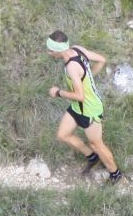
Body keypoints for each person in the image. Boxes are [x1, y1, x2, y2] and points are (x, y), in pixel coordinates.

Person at [46, 30, 122, 184]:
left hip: (89, 109)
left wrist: (58, 92)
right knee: (63, 135)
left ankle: (116, 174)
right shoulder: (77, 49)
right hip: (77, 107)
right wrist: (87, 78)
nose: (48, 52)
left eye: (50, 50)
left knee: (97, 144)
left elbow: (80, 96)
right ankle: (92, 157)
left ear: (58, 51)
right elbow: (101, 59)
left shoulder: (71, 68)